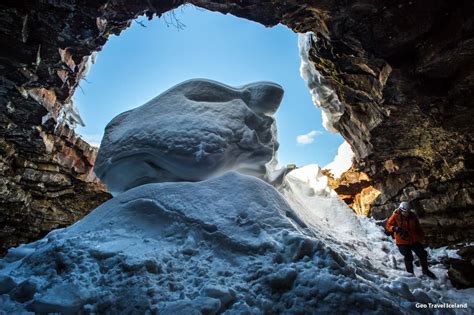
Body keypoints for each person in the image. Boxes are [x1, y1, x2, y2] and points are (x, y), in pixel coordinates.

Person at [386, 201, 437, 279]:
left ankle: (425, 270)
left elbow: (417, 227)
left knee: (422, 253)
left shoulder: (412, 216)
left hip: (413, 239)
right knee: (408, 256)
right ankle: (410, 274)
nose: (406, 213)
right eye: (405, 212)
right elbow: (388, 225)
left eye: (408, 212)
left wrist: (421, 237)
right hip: (402, 241)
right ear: (401, 210)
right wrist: (395, 228)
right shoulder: (395, 216)